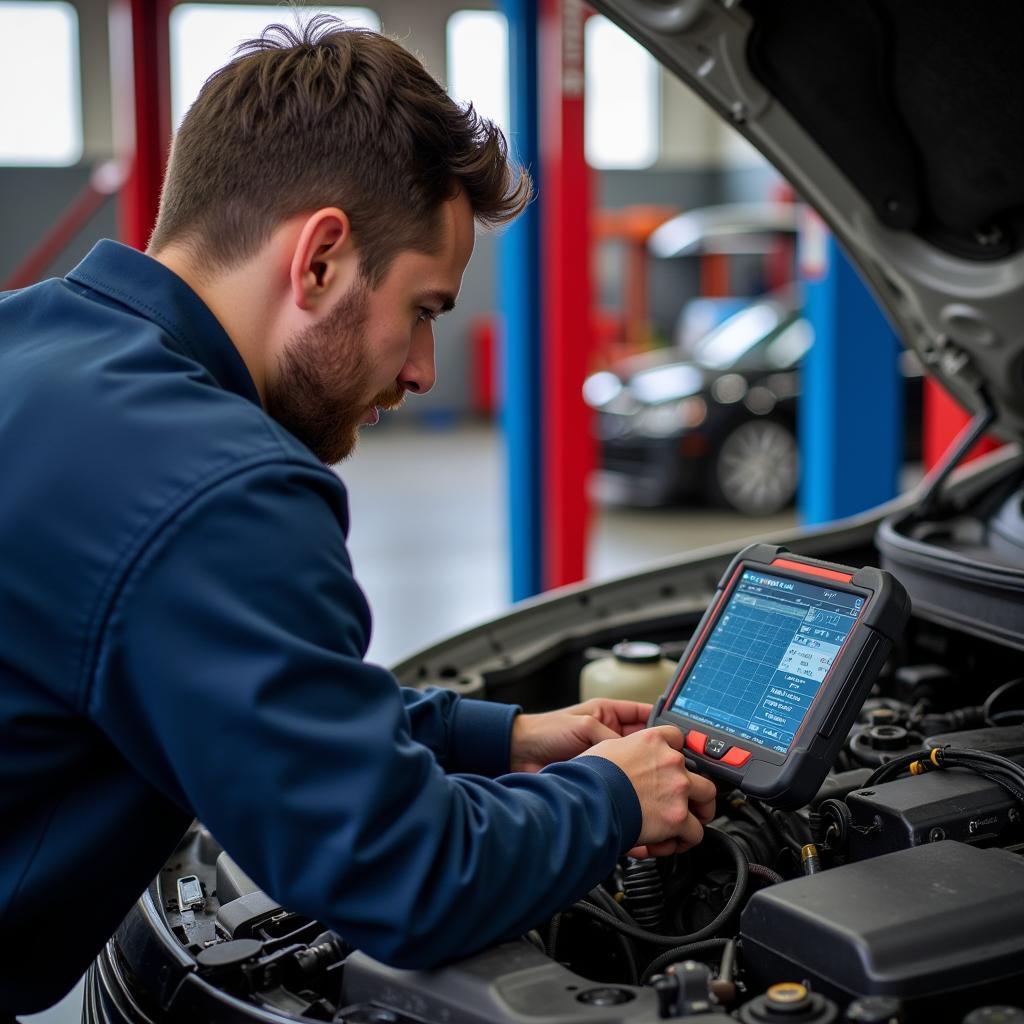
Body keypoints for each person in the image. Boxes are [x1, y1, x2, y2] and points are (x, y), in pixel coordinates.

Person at [0, 18, 716, 1016]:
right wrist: (611, 797)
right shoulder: (219, 485)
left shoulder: (28, 340)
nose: (424, 368)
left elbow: (231, 691)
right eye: (424, 308)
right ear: (322, 259)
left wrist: (506, 738)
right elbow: (404, 879)